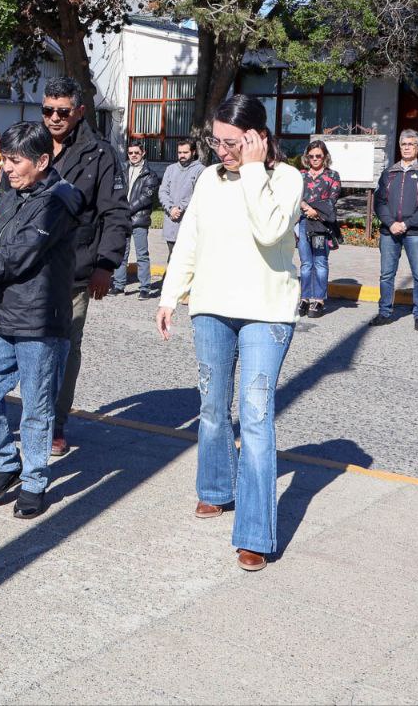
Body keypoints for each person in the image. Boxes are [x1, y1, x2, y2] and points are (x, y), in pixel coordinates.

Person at [155, 93, 303, 572]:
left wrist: (255, 170)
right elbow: (191, 240)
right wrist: (170, 295)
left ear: (258, 138)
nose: (221, 150)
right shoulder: (208, 182)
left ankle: (256, 532)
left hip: (267, 311)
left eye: (232, 142)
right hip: (212, 308)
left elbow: (270, 231)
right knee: (213, 406)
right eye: (215, 141)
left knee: (257, 418)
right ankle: (216, 489)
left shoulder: (286, 179)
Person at [0, 121, 83, 519]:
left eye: (15, 160)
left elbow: (16, 258)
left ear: (42, 161)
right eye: (4, 159)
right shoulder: (9, 193)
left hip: (40, 322)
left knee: (37, 407)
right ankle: (6, 463)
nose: (6, 168)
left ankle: (34, 481)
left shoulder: (56, 202)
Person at [41, 76, 131, 455]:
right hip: (27, 267)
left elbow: (116, 213)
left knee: (64, 347)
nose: (54, 119)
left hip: (74, 271)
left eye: (62, 111)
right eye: (48, 110)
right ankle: (34, 414)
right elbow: (6, 192)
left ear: (78, 111)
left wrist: (106, 265)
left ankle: (55, 423)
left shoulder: (100, 153)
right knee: (25, 345)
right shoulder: (30, 143)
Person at [370, 129, 418, 330]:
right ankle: (384, 312)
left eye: (411, 144)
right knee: (386, 274)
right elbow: (380, 202)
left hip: (415, 233)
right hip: (389, 232)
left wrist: (406, 224)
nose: (407, 147)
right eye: (403, 144)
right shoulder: (389, 173)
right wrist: (391, 223)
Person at [296, 140, 342, 318]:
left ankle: (319, 299)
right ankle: (305, 298)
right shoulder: (300, 176)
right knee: (306, 263)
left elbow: (332, 199)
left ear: (325, 157)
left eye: (318, 156)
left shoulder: (333, 176)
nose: (315, 159)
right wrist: (305, 207)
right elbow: (293, 195)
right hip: (303, 223)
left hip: (321, 225)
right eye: (311, 156)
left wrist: (315, 210)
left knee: (320, 262)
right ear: (307, 157)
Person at [112, 141, 160, 299]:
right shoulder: (122, 170)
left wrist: (126, 209)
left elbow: (146, 198)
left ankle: (145, 287)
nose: (133, 155)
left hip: (139, 219)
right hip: (122, 218)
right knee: (121, 253)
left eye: (136, 153)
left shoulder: (150, 174)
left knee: (142, 254)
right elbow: (116, 190)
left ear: (143, 153)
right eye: (130, 153)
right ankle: (119, 285)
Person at [158, 139, 204, 262]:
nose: (182, 155)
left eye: (185, 152)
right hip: (171, 221)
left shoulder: (201, 170)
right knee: (172, 257)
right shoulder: (170, 169)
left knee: (188, 259)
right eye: (179, 152)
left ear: (193, 152)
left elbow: (198, 194)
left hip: (189, 222)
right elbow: (163, 191)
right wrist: (171, 208)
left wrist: (180, 208)